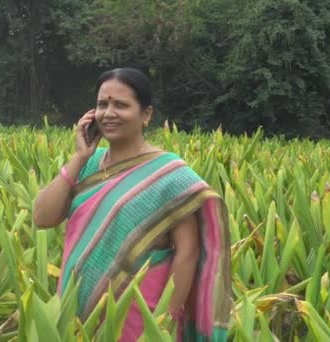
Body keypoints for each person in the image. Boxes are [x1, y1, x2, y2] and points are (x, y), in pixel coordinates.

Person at [33, 67, 231, 341]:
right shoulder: (89, 163)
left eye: (121, 105)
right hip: (75, 300)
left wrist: (163, 320)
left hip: (137, 309)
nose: (109, 113)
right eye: (102, 104)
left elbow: (188, 251)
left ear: (146, 114)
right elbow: (42, 217)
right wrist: (79, 157)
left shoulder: (169, 174)